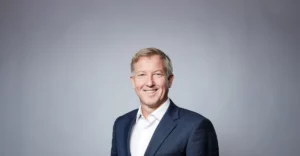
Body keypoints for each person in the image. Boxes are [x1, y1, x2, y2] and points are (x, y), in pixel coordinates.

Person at [111, 48, 219, 156]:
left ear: (169, 80)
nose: (149, 83)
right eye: (142, 75)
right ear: (133, 82)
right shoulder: (121, 124)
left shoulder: (196, 126)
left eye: (157, 74)